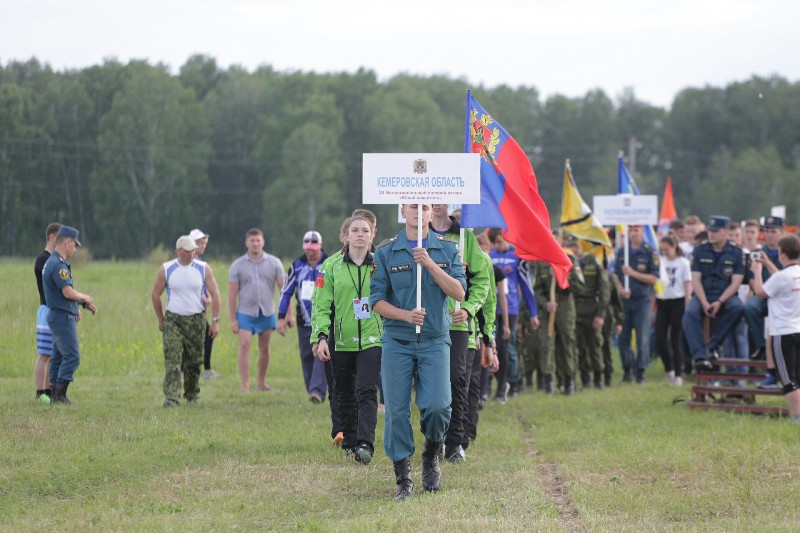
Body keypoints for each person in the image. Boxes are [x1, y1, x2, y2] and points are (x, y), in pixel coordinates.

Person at [370, 203, 466, 501]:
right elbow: (376, 301)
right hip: (397, 341)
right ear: (403, 210)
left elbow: (459, 293)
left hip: (435, 339)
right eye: (412, 206)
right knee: (396, 412)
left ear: (431, 213)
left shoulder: (447, 250)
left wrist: (431, 265)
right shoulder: (386, 252)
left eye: (424, 207)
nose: (418, 211)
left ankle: (431, 454)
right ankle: (403, 478)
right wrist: (404, 315)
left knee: (438, 406)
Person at [312, 216, 381, 464]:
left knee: (365, 390)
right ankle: (349, 442)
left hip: (374, 339)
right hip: (341, 339)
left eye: (365, 230)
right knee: (343, 392)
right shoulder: (330, 267)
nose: (360, 234)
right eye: (355, 230)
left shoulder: (381, 264)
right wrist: (320, 337)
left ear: (372, 235)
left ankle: (366, 443)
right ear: (346, 235)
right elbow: (320, 305)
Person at [429, 204, 490, 463]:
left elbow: (482, 281)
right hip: (426, 321)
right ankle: (433, 439)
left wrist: (467, 309)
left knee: (456, 379)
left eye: (441, 197)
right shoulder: (417, 234)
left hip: (455, 324)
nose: (436, 203)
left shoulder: (465, 236)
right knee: (431, 384)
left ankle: (454, 443)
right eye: (431, 198)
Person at [152, 236, 221, 407]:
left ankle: (191, 393)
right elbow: (155, 295)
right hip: (174, 319)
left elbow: (216, 295)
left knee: (194, 360)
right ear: (178, 251)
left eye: (193, 250)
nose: (191, 253)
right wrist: (161, 319)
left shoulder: (203, 268)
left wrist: (215, 321)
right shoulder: (167, 269)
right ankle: (172, 397)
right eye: (188, 250)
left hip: (196, 319)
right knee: (173, 359)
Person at [43, 225, 97, 405]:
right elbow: (67, 292)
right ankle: (60, 396)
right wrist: (85, 297)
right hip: (61, 318)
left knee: (59, 356)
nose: (75, 248)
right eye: (74, 245)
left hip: (59, 315)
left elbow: (62, 294)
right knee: (72, 356)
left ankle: (55, 395)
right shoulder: (58, 265)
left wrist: (81, 304)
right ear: (67, 242)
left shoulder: (53, 262)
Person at [682, 216, 745, 370]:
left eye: (715, 231)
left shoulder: (736, 253)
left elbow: (736, 282)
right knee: (689, 313)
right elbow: (695, 280)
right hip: (703, 294)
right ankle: (700, 356)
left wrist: (720, 302)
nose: (711, 234)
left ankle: (713, 346)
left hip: (725, 296)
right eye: (710, 230)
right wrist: (704, 303)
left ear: (725, 232)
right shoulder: (699, 251)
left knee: (737, 308)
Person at [750, 233, 800, 422]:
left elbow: (760, 292)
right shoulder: (795, 273)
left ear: (783, 254)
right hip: (798, 328)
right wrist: (769, 263)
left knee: (788, 380)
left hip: (783, 333)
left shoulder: (782, 277)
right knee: (798, 378)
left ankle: (797, 419)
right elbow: (781, 279)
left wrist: (756, 270)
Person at [229, 228, 285, 392]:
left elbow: (285, 290)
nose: (255, 243)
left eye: (258, 240)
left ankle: (261, 382)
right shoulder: (237, 265)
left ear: (263, 242)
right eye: (252, 240)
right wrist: (233, 319)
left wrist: (288, 314)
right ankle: (245, 384)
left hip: (267, 311)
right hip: (245, 312)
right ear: (246, 243)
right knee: (244, 344)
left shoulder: (274, 263)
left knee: (264, 347)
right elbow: (232, 294)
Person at [278, 230, 329, 403]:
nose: (311, 251)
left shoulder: (330, 264)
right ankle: (313, 390)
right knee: (307, 356)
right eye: (308, 248)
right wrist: (281, 317)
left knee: (321, 354)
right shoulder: (297, 266)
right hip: (304, 321)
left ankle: (317, 391)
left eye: (314, 248)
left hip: (325, 321)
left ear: (320, 246)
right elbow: (286, 292)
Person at [488, 228, 538, 400]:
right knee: (490, 346)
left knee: (507, 347)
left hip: (510, 309)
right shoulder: (489, 255)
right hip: (490, 309)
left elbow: (526, 285)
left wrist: (533, 313)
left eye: (501, 241)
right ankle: (491, 386)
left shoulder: (517, 257)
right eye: (495, 242)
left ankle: (510, 382)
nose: (498, 245)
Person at [614, 225, 659, 383]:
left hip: (642, 300)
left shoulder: (650, 252)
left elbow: (653, 278)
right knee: (623, 337)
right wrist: (621, 289)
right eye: (631, 231)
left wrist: (633, 273)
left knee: (642, 337)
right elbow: (615, 275)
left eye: (636, 230)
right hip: (625, 301)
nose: (633, 234)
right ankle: (627, 369)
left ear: (642, 231)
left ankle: (641, 371)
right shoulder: (622, 252)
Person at [570, 239, 610, 390]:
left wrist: (600, 315)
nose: (574, 249)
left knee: (595, 346)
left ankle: (598, 378)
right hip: (575, 309)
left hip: (592, 309)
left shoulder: (594, 262)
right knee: (579, 347)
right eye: (572, 246)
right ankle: (585, 379)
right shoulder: (569, 262)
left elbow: (604, 291)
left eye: (576, 245)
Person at [655, 235, 692, 385]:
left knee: (675, 339)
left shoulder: (683, 263)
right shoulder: (660, 262)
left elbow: (687, 283)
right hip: (662, 301)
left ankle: (678, 373)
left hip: (678, 301)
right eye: (662, 250)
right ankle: (668, 369)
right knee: (660, 339)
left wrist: (687, 301)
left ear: (675, 246)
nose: (665, 252)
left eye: (667, 249)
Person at [189, 228, 221, 381]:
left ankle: (206, 369)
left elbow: (205, 285)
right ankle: (191, 370)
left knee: (208, 335)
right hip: (187, 309)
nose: (202, 246)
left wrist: (206, 297)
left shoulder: (202, 264)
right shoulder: (185, 262)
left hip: (200, 310)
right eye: (199, 243)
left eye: (204, 243)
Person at [34, 222, 61, 403]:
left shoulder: (54, 260)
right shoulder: (43, 260)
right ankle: (40, 392)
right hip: (46, 310)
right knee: (44, 354)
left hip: (55, 311)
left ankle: (50, 391)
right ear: (51, 236)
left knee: (52, 353)